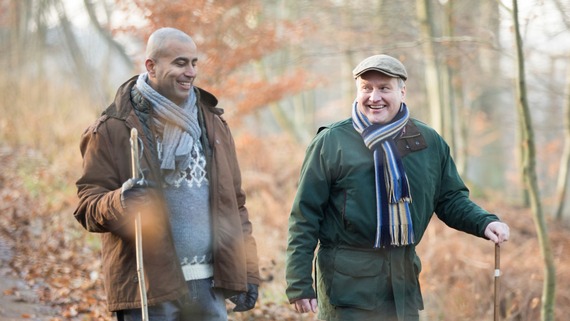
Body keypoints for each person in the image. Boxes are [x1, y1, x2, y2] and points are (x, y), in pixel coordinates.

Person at [285, 54, 510, 321]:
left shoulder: (428, 142)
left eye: (384, 88)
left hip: (402, 287)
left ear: (402, 92)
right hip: (346, 289)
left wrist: (484, 222)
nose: (374, 97)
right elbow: (305, 215)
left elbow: (449, 198)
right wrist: (299, 283)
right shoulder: (332, 142)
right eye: (366, 88)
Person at [74, 27, 260, 321]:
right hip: (150, 288)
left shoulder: (213, 124)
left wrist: (247, 270)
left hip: (210, 285)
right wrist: (121, 200)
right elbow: (87, 206)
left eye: (194, 63)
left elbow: (235, 204)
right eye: (180, 63)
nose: (190, 72)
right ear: (151, 66)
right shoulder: (113, 129)